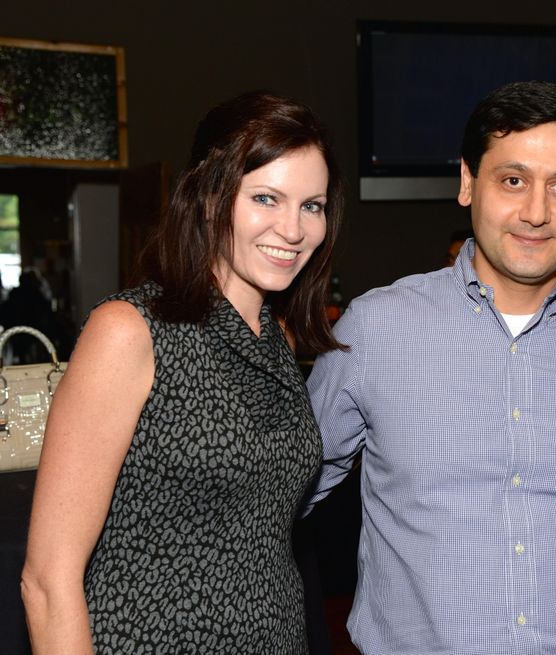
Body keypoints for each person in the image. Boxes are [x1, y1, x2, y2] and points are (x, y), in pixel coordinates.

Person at [305, 81, 556, 654]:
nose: (536, 212)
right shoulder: (374, 331)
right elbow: (279, 493)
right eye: (513, 180)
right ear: (467, 182)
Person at [20, 91, 344, 654]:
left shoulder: (277, 336)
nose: (293, 230)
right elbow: (47, 581)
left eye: (311, 206)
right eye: (267, 198)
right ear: (210, 197)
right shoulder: (128, 331)